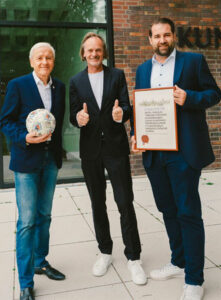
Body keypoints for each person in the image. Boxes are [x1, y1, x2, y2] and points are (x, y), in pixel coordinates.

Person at [131, 17, 221, 300]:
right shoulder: (143, 69)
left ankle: (194, 279)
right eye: (157, 36)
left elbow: (214, 94)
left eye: (166, 35)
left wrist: (189, 97)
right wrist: (135, 134)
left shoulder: (193, 62)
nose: (162, 40)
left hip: (184, 152)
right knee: (168, 210)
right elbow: (141, 106)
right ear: (150, 39)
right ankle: (178, 261)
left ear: (174, 37)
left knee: (188, 212)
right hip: (155, 153)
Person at [69, 32, 147, 285]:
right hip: (90, 151)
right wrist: (78, 119)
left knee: (125, 202)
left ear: (104, 53)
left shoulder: (117, 75)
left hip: (115, 148)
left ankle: (134, 257)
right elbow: (73, 114)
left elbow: (126, 106)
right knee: (97, 203)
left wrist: (120, 113)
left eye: (98, 50)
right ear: (83, 54)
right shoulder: (75, 81)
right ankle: (105, 252)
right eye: (89, 50)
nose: (94, 54)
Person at [0, 42, 66, 300]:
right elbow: (5, 121)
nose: (44, 61)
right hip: (26, 161)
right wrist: (25, 138)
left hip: (50, 160)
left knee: (45, 215)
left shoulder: (59, 87)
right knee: (27, 222)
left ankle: (41, 261)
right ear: (31, 61)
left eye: (49, 57)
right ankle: (26, 282)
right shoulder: (18, 85)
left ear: (53, 62)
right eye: (39, 57)